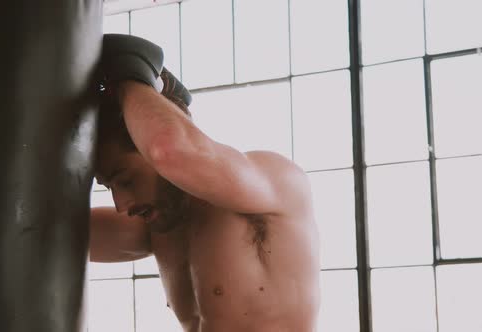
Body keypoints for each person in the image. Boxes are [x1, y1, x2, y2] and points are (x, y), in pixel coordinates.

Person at [91, 34, 320, 332]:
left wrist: (126, 72)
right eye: (109, 187)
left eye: (126, 180)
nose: (121, 204)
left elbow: (171, 151)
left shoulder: (275, 183)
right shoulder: (161, 228)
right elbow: (36, 231)